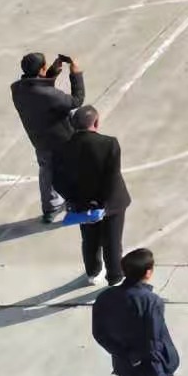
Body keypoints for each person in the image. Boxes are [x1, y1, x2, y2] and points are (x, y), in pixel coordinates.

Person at [92, 247, 180, 376]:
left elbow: (99, 334)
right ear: (148, 273)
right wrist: (140, 357)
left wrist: (125, 354)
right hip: (152, 367)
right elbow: (153, 338)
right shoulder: (151, 301)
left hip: (123, 363)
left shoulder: (104, 298)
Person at [56, 105, 131, 283]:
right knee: (112, 240)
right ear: (96, 123)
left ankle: (93, 272)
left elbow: (57, 180)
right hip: (111, 203)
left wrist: (74, 199)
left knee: (89, 239)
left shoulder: (62, 148)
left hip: (82, 203)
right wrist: (103, 203)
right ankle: (115, 276)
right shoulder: (109, 143)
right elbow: (112, 176)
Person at [10, 51, 86, 223]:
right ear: (41, 69)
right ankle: (77, 203)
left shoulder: (18, 90)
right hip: (61, 139)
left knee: (47, 171)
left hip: (39, 139)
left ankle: (51, 207)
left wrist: (52, 72)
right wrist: (76, 74)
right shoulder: (48, 95)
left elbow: (38, 88)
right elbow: (76, 100)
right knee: (72, 169)